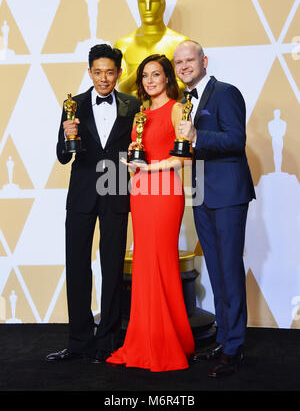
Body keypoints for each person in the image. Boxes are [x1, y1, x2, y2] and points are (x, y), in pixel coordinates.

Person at [46, 44, 141, 363]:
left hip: (116, 187)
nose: (104, 78)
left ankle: (108, 343)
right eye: (98, 71)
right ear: (89, 72)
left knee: (112, 266)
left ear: (119, 73)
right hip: (83, 191)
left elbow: (137, 150)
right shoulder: (73, 104)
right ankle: (78, 342)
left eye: (110, 72)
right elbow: (62, 155)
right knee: (76, 265)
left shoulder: (133, 104)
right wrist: (65, 134)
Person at [106, 54, 195, 371]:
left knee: (161, 263)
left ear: (168, 78)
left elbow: (185, 157)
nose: (149, 80)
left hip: (165, 192)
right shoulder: (140, 114)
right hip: (141, 191)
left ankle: (165, 341)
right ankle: (146, 338)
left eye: (156, 74)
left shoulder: (177, 110)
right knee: (145, 263)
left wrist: (153, 165)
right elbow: (140, 151)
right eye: (145, 75)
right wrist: (132, 157)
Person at [173, 40, 256, 378]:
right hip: (202, 195)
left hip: (228, 195)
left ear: (204, 60)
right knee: (218, 271)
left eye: (189, 60)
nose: (183, 67)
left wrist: (196, 137)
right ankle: (223, 338)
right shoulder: (184, 102)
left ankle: (235, 347)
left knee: (230, 270)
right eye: (178, 62)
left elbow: (237, 140)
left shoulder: (226, 92)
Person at [114, 0, 189, 96]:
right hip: (135, 111)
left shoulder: (180, 42)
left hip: (169, 110)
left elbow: (183, 85)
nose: (147, 8)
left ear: (163, 4)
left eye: (153, 1)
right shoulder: (123, 44)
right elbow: (123, 88)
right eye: (142, 2)